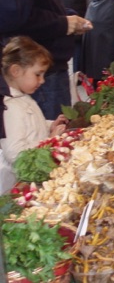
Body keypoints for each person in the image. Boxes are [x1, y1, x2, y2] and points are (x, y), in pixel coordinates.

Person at [0, 36, 68, 195]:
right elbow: (15, 154)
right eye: (38, 74)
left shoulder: (21, 97)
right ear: (16, 71)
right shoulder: (9, 107)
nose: (42, 81)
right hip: (19, 184)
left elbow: (31, 124)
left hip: (34, 171)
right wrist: (49, 140)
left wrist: (49, 124)